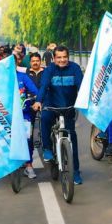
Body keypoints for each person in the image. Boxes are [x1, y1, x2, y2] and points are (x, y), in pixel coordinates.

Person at [32, 45, 84, 184]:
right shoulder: (49, 70)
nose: (62, 60)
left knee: (72, 137)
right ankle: (48, 149)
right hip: (51, 104)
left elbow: (81, 86)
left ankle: (76, 172)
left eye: (64, 57)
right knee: (44, 118)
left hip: (68, 106)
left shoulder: (75, 68)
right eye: (59, 57)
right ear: (54, 58)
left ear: (68, 57)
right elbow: (43, 87)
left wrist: (86, 101)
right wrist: (38, 102)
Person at [13, 52, 39, 179]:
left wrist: (37, 99)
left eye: (12, 63)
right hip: (7, 116)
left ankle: (29, 166)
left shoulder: (23, 77)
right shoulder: (1, 79)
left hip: (25, 113)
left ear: (16, 63)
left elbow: (35, 91)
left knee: (27, 139)